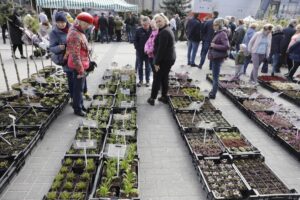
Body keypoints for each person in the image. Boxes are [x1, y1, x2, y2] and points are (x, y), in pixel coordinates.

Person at [66, 12, 94, 117]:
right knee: (78, 89)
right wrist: (81, 70)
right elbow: (75, 55)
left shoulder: (78, 30)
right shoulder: (74, 34)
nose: (88, 26)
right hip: (77, 66)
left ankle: (80, 105)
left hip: (82, 64)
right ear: (81, 22)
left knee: (80, 88)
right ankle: (77, 108)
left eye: (89, 24)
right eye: (87, 24)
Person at [147, 13, 176, 106]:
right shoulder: (165, 29)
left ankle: (152, 98)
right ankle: (164, 96)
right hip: (168, 58)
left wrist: (156, 63)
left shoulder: (164, 32)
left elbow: (161, 50)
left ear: (165, 20)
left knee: (157, 78)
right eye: (157, 21)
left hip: (165, 59)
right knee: (164, 77)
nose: (158, 23)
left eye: (160, 21)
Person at [49, 12, 73, 102]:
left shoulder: (73, 29)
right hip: (65, 59)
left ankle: (82, 92)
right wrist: (59, 47)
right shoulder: (54, 33)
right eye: (58, 22)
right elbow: (51, 48)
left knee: (79, 76)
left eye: (62, 22)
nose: (61, 24)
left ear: (66, 21)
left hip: (76, 57)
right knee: (70, 78)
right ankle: (73, 97)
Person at [207, 18, 230, 99]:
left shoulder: (222, 33)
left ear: (219, 25)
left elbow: (227, 46)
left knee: (215, 77)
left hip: (217, 57)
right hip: (215, 56)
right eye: (213, 24)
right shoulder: (218, 33)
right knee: (214, 76)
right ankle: (213, 91)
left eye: (215, 25)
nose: (213, 26)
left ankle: (213, 94)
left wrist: (214, 46)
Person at [134, 16, 152, 87]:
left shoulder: (152, 31)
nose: (145, 26)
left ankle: (147, 80)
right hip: (140, 53)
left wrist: (150, 50)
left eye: (146, 25)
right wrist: (138, 48)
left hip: (148, 54)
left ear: (149, 23)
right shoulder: (138, 30)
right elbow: (135, 41)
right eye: (143, 25)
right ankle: (141, 80)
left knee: (148, 67)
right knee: (140, 67)